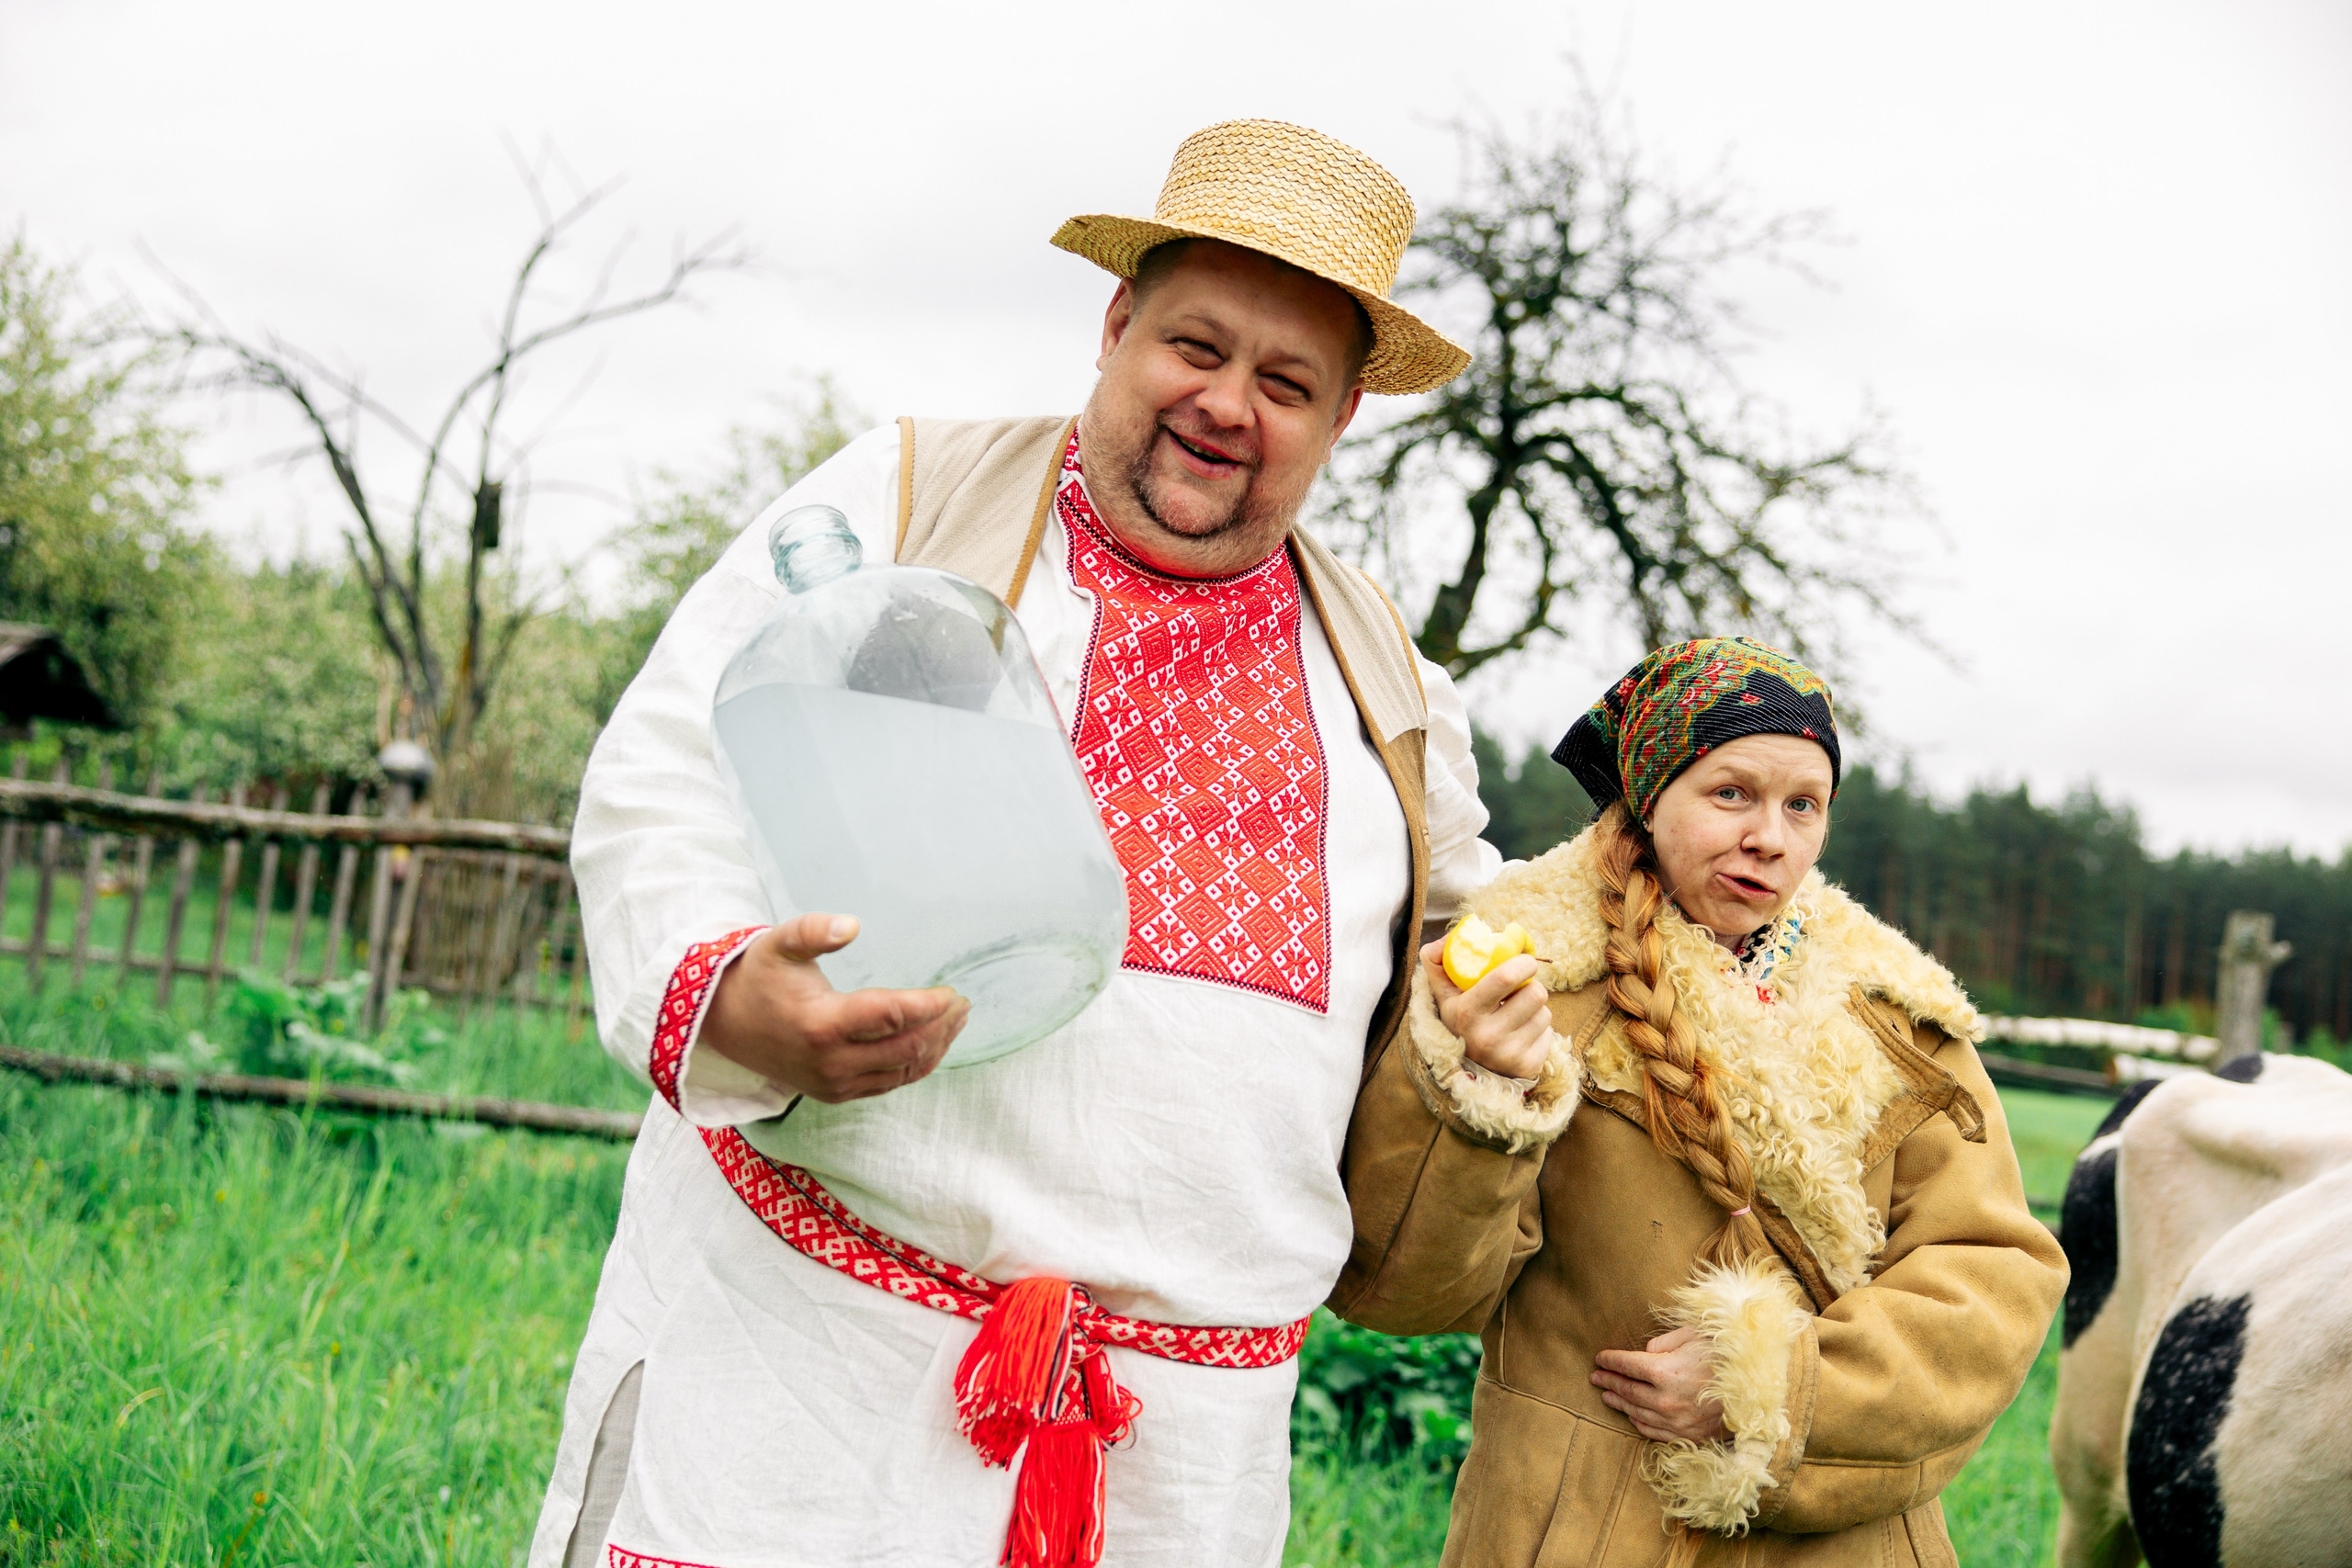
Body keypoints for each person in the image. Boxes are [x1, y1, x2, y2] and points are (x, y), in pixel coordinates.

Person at [529, 120, 1501, 1568]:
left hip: (1182, 1460)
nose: (1229, 403)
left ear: (1344, 417)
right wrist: (735, 996)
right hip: (813, 1378)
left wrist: (1495, 1030)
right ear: (1114, 326)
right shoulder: (906, 504)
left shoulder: (1392, 684)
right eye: (1195, 345)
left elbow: (1461, 952)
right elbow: (667, 773)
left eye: (1287, 381)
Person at [1329, 638, 2067, 1566]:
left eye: (1804, 804)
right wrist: (1483, 1090)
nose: (1771, 835)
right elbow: (1404, 1291)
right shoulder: (1524, 984)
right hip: (1584, 1534)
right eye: (1732, 793)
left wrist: (1778, 1387)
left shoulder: (1903, 1023)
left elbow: (1990, 1280)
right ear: (1645, 793)